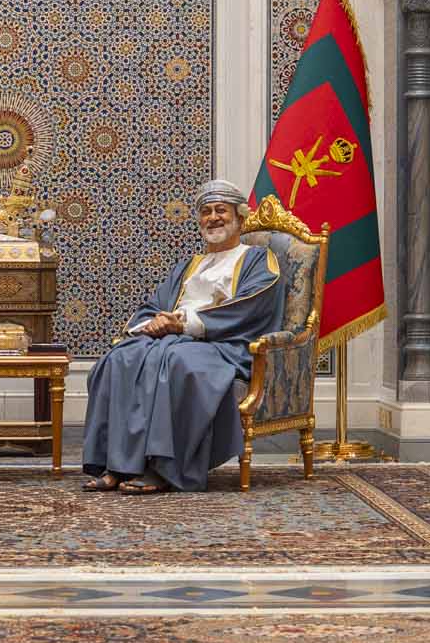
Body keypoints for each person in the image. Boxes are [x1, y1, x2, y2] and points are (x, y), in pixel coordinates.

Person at [80, 181, 291, 494]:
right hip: (174, 339)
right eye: (206, 212)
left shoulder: (257, 259)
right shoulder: (189, 265)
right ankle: (117, 465)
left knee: (176, 362)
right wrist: (155, 323)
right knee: (120, 357)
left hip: (225, 345)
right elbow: (155, 304)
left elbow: (253, 306)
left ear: (239, 218)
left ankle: (164, 468)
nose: (213, 217)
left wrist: (185, 325)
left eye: (221, 210)